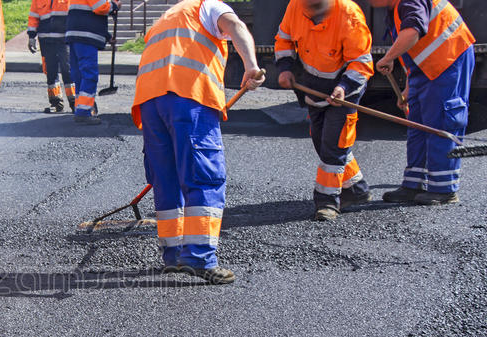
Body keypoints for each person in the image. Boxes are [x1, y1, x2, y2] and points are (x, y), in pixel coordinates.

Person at [131, 0, 264, 284]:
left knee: (166, 179)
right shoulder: (209, 6)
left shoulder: (166, 18)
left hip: (150, 103)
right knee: (204, 176)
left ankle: (173, 256)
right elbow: (236, 26)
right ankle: (200, 257)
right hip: (188, 97)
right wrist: (251, 65)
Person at [275, 0, 375, 221]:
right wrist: (285, 68)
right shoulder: (295, 6)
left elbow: (361, 62)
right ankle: (357, 188)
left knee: (334, 145)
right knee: (321, 140)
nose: (312, 12)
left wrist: (343, 87)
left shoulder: (349, 15)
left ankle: (327, 202)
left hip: (345, 91)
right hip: (313, 87)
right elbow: (284, 39)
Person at [368, 0, 475, 205]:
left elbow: (413, 31)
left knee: (442, 121)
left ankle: (444, 189)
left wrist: (388, 57)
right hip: (425, 67)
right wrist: (410, 88)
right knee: (417, 123)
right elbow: (416, 50)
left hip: (449, 57)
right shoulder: (395, 8)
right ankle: (413, 184)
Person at [66, 0, 121, 125]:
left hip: (75, 34)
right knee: (89, 75)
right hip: (85, 37)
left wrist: (107, 36)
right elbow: (100, 7)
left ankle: (80, 108)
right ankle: (83, 112)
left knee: (79, 75)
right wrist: (114, 5)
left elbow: (88, 14)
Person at [28, 0, 76, 113]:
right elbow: (34, 16)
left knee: (68, 69)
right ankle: (56, 103)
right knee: (50, 71)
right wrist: (31, 36)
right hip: (46, 40)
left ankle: (74, 102)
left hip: (65, 39)